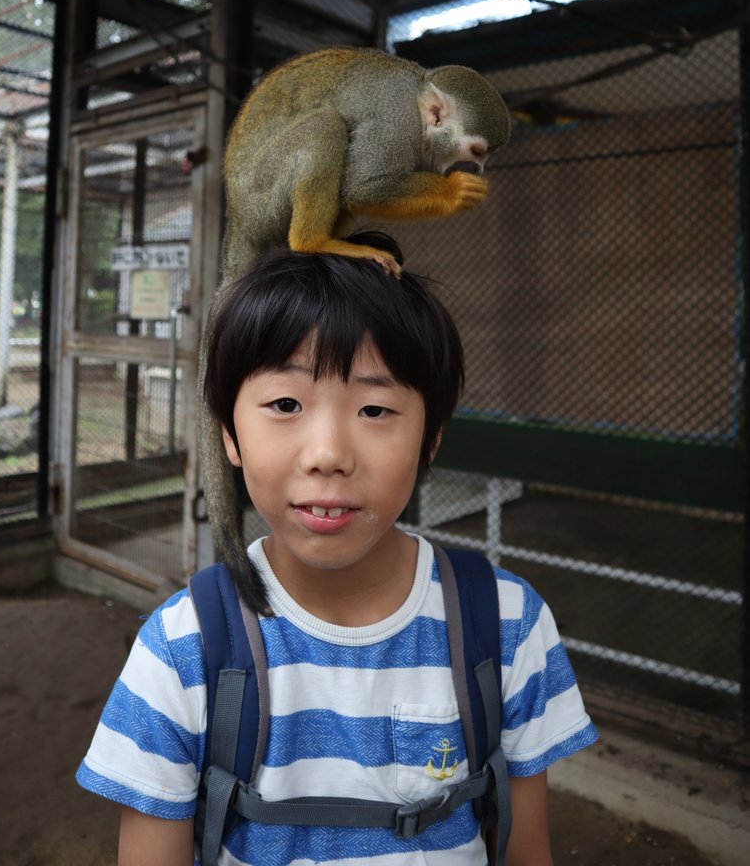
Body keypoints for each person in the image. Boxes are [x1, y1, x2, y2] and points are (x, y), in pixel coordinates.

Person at [77, 234, 598, 865]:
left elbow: (525, 852)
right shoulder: (182, 651)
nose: (328, 454)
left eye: (375, 409)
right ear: (230, 436)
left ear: (430, 437)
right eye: (286, 403)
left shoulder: (506, 625)